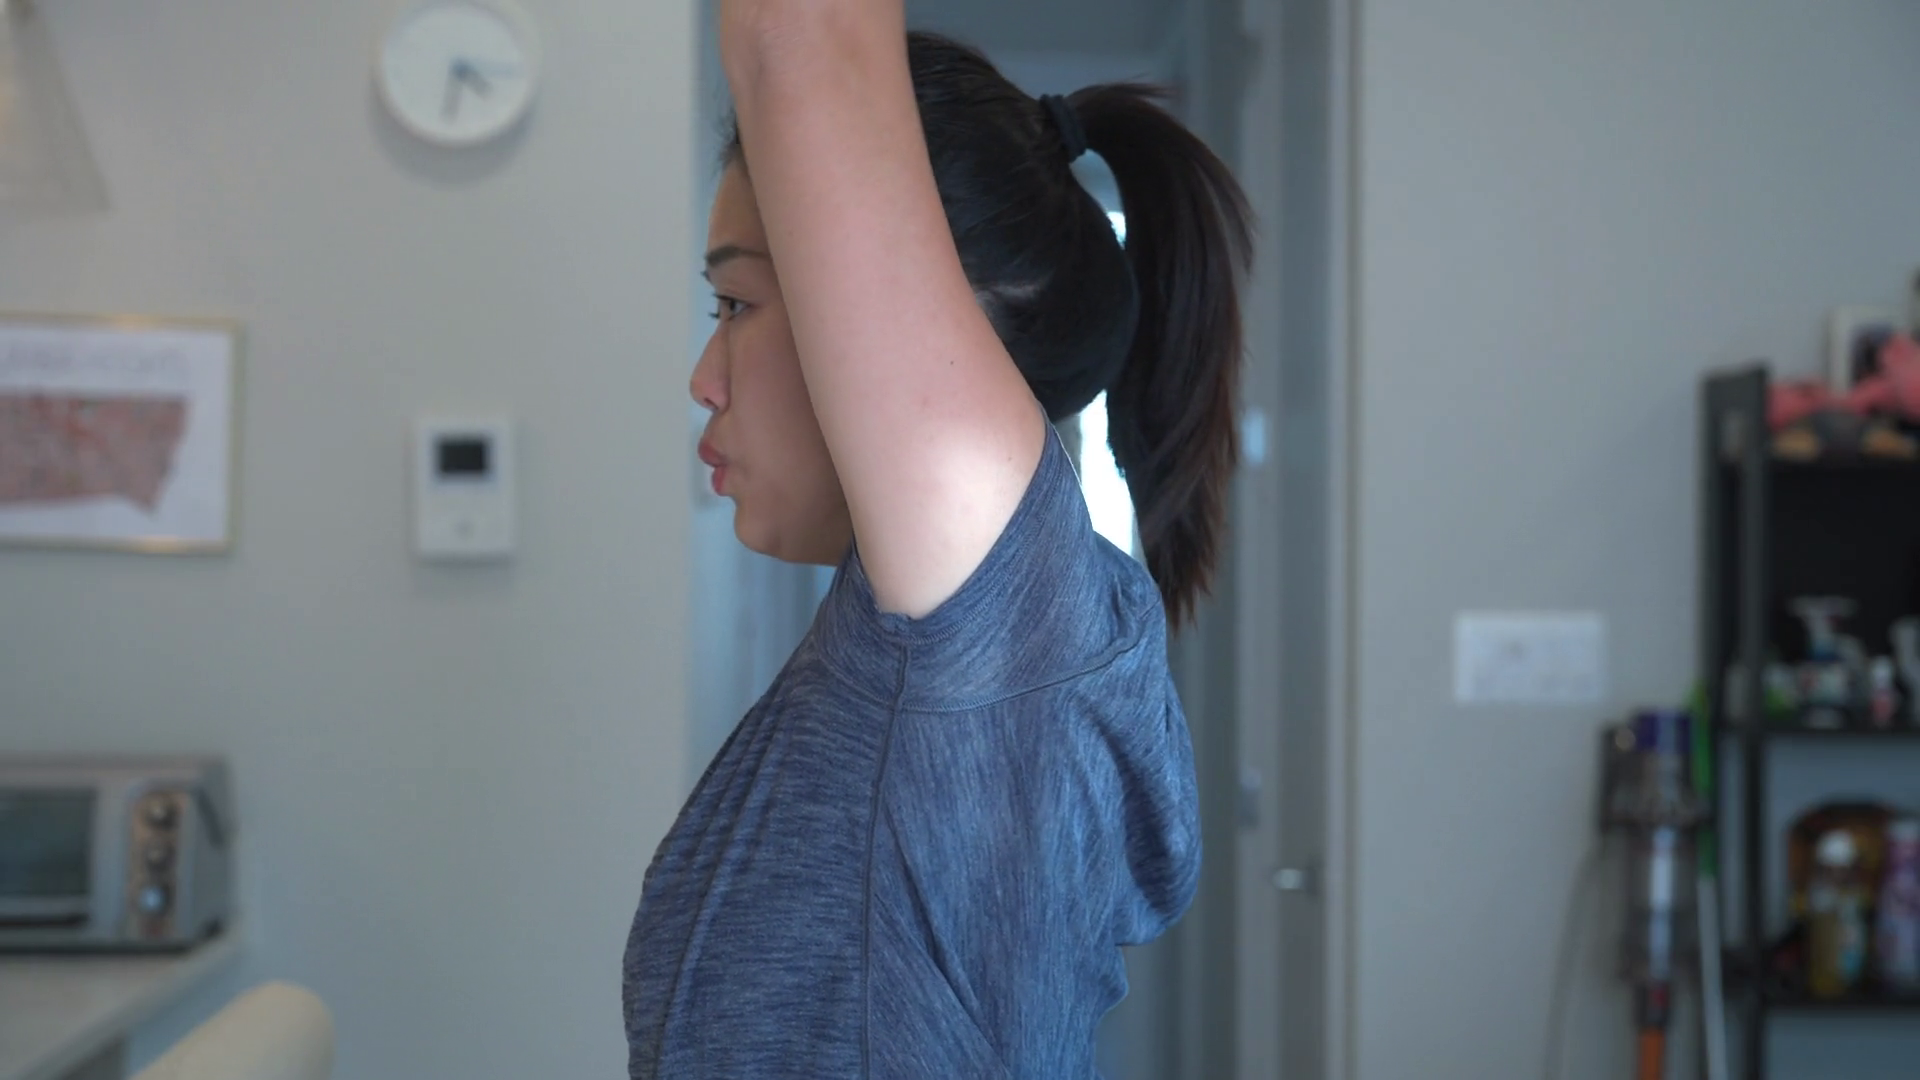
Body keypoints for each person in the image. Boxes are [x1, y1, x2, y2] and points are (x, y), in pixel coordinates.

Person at [624, 3, 1251, 1076]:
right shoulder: (912, 656)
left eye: (736, 304)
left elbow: (806, 34)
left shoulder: (1000, 630)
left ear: (923, 323)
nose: (702, 379)